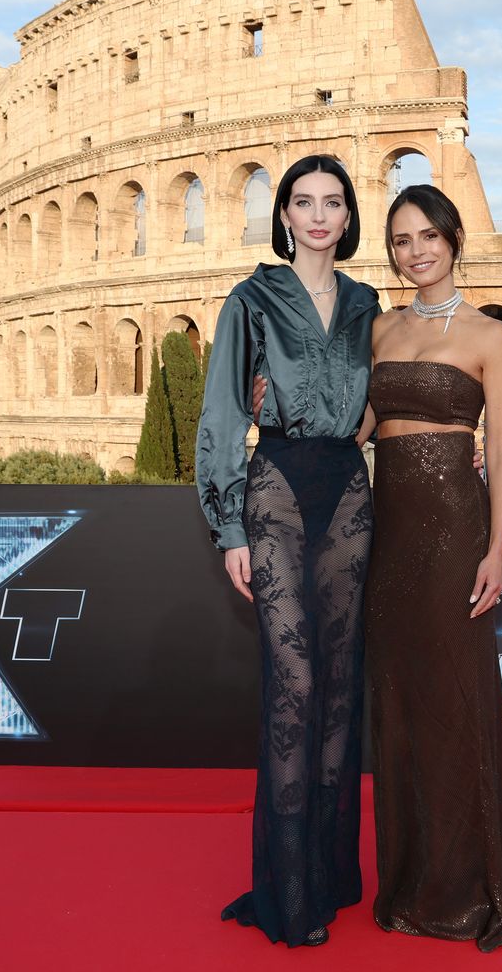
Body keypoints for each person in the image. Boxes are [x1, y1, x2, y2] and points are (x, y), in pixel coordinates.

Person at [364, 185, 502, 951]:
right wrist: (272, 406)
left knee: (455, 704)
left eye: (427, 236)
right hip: (386, 541)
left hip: (454, 534)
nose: (414, 251)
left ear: (453, 240)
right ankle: (411, 882)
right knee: (399, 710)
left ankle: (470, 886)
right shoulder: (379, 330)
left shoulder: (490, 335)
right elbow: (355, 426)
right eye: (400, 241)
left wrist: (496, 548)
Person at [196, 155, 379, 948]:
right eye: (301, 202)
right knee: (296, 682)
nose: (316, 215)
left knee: (339, 687)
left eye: (331, 202)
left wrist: (458, 443)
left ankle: (331, 878)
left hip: (347, 487)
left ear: (347, 217)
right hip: (274, 485)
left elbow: (391, 396)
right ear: (283, 216)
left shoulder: (369, 303)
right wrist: (228, 525)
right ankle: (288, 888)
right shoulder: (253, 298)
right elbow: (220, 413)